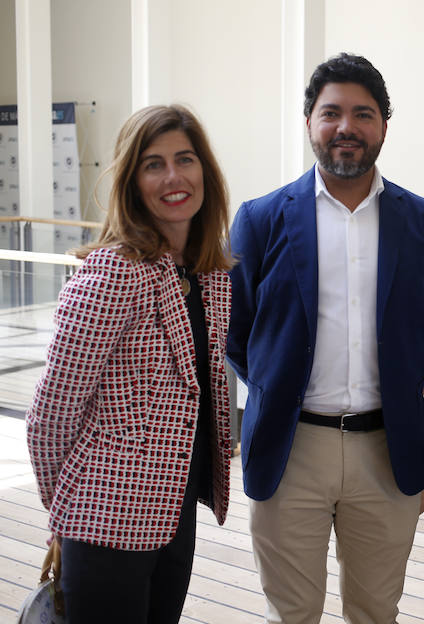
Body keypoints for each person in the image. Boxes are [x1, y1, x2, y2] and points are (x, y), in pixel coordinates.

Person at [226, 53, 424, 624]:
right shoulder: (259, 219)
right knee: (293, 612)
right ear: (309, 121)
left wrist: (402, 384)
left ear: (383, 125)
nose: (346, 128)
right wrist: (279, 385)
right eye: (331, 113)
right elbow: (236, 330)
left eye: (363, 113)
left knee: (376, 610)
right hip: (290, 447)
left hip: (388, 447)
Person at [26, 104, 234, 624]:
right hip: (104, 522)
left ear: (204, 171)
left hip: (173, 511)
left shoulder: (205, 274)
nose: (173, 177)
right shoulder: (115, 274)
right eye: (153, 164)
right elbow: (49, 418)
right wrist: (70, 514)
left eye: (185, 159)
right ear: (132, 181)